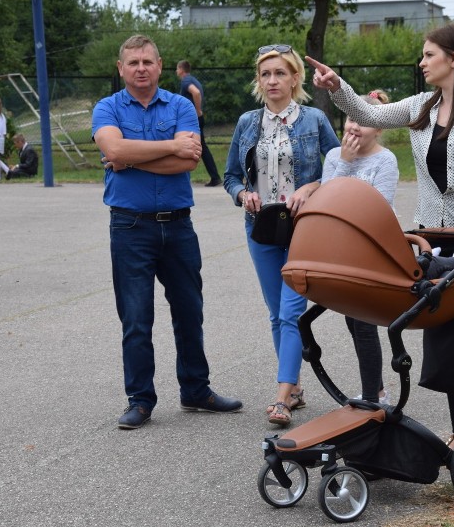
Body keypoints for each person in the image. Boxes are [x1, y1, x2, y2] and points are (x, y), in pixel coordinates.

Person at [308, 22, 454, 446]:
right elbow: (369, 114)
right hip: (435, 234)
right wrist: (337, 86)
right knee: (445, 327)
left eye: (429, 54)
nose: (421, 62)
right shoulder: (421, 107)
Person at [92, 34, 242, 430]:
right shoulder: (106, 107)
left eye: (147, 61)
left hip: (178, 226)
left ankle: (196, 390)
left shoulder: (179, 105)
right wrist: (163, 147)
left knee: (190, 312)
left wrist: (129, 156)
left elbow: (189, 161)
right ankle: (140, 400)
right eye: (133, 63)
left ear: (160, 66)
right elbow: (115, 150)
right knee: (136, 319)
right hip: (130, 226)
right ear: (121, 69)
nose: (141, 68)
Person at [223, 44, 340, 427]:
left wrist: (313, 187)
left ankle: (282, 397)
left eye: (280, 73)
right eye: (266, 74)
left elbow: (340, 167)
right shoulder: (247, 123)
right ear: (259, 81)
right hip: (261, 227)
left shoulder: (314, 120)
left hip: (305, 227)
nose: (272, 80)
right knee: (276, 315)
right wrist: (243, 194)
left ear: (295, 78)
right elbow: (230, 177)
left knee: (292, 312)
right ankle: (296, 388)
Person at [321, 89, 399, 405]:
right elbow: (326, 202)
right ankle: (376, 389)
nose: (354, 127)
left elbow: (380, 207)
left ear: (379, 128)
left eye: (364, 122)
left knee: (363, 322)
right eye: (352, 118)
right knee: (353, 320)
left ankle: (371, 397)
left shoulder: (386, 160)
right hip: (342, 251)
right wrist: (345, 163)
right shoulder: (333, 157)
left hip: (371, 250)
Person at [176, 60, 222, 187]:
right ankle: (215, 176)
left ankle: (214, 176)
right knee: (201, 147)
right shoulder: (193, 79)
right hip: (197, 118)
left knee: (196, 147)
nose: (176, 71)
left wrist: (197, 110)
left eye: (177, 68)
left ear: (181, 69)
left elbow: (195, 93)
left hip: (193, 118)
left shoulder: (186, 81)